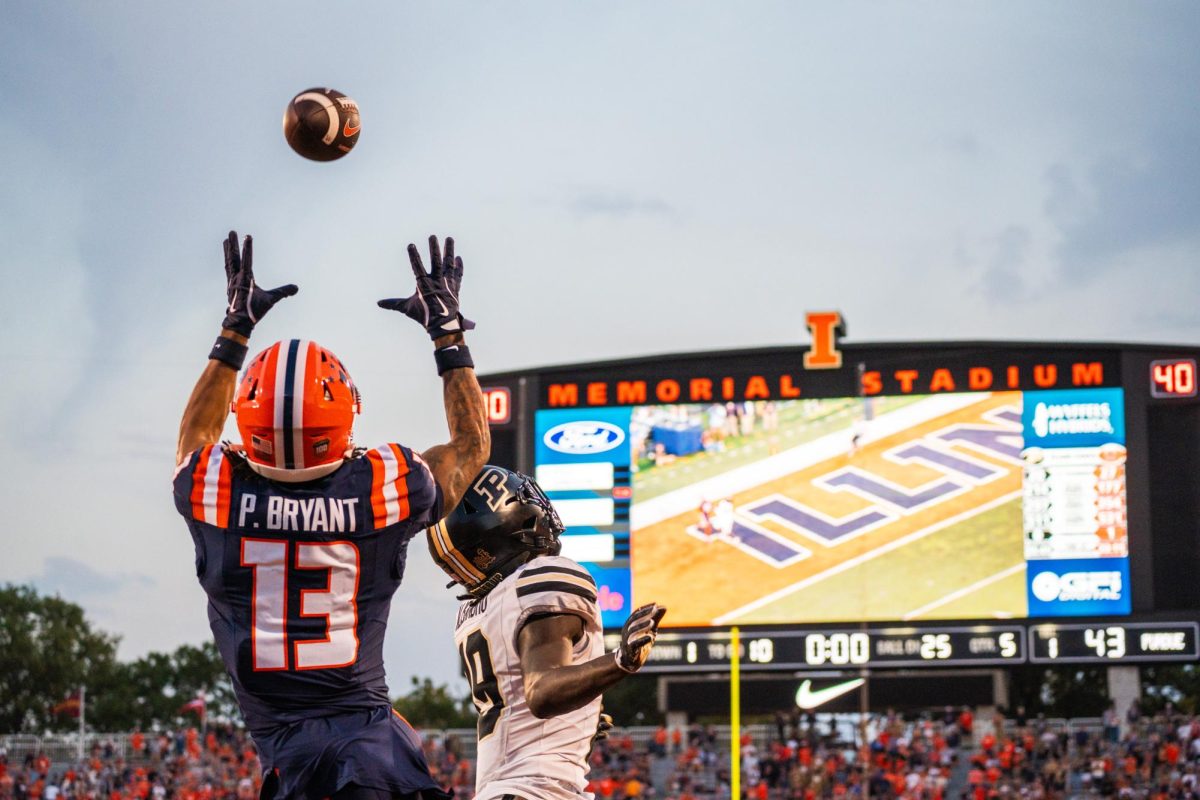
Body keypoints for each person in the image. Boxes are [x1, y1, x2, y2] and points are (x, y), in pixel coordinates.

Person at [173, 231, 490, 800]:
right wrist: (447, 333)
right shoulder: (383, 486)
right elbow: (470, 447)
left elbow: (195, 437)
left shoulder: (213, 488)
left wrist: (233, 330)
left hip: (296, 758)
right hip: (368, 754)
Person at [427, 466, 667, 800]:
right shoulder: (544, 576)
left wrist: (576, 721)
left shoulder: (475, 611)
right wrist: (619, 661)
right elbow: (540, 691)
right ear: (506, 519)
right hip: (536, 790)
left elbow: (517, 699)